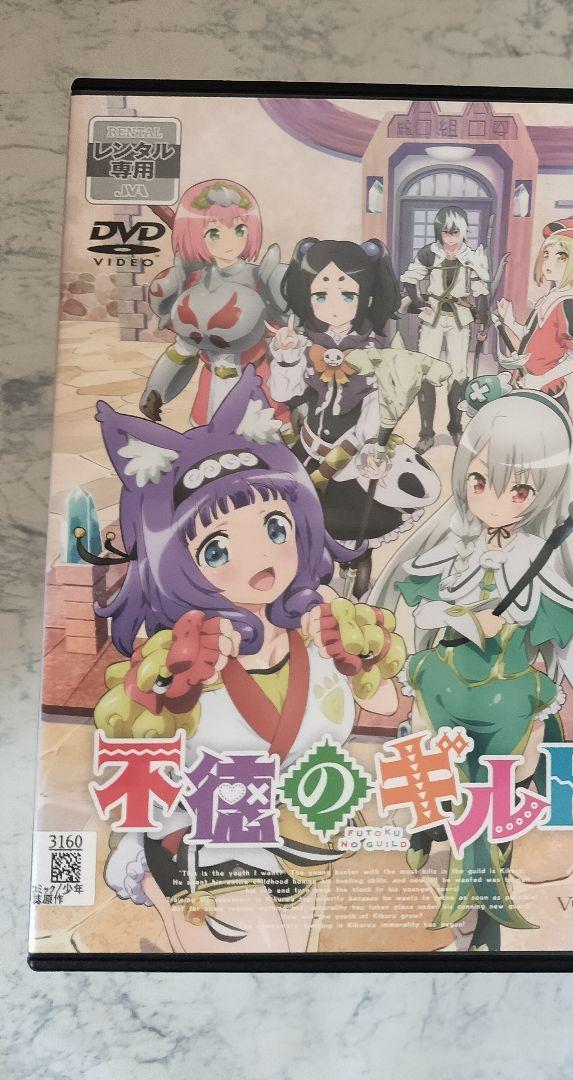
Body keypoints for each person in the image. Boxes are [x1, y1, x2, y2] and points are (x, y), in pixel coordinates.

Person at [83, 368, 405, 953]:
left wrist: (356, 657)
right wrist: (182, 685)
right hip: (208, 838)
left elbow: (387, 703)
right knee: (256, 959)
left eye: (275, 526)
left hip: (305, 831)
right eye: (217, 548)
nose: (259, 556)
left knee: (296, 960)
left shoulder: (321, 623)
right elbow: (133, 738)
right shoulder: (181, 648)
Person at [369, 383, 573, 951]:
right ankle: (427, 828)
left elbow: (563, 640)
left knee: (497, 801)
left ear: (541, 494)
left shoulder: (537, 558)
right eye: (479, 481)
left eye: (517, 489)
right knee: (437, 775)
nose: (494, 499)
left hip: (511, 698)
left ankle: (486, 914)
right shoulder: (453, 547)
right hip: (444, 685)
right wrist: (463, 621)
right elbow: (420, 608)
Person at [268, 237, 440, 597]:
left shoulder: (376, 350)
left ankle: (358, 596)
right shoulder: (304, 344)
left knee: (354, 533)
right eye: (321, 295)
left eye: (346, 295)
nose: (333, 306)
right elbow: (284, 394)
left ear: (366, 296)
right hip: (307, 448)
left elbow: (376, 409)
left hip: (352, 456)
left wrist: (366, 449)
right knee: (302, 524)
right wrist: (286, 356)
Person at [140, 179, 290, 428]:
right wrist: (157, 390)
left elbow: (286, 333)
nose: (229, 242)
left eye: (239, 230)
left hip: (256, 383)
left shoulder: (261, 279)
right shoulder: (191, 281)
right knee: (209, 437)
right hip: (212, 386)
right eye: (214, 233)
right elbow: (183, 352)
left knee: (260, 439)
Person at [495, 218, 573, 416]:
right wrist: (510, 320)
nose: (548, 263)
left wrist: (540, 380)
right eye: (547, 254)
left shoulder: (568, 306)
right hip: (526, 383)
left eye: (561, 257)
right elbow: (533, 338)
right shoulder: (551, 298)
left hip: (546, 393)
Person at [400, 205, 489, 451]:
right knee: (426, 370)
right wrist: (419, 303)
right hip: (433, 318)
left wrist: (483, 321)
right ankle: (426, 434)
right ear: (439, 232)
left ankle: (456, 427)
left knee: (459, 373)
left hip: (460, 319)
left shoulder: (471, 257)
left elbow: (481, 292)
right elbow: (409, 279)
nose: (450, 239)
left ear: (463, 232)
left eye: (455, 233)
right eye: (446, 233)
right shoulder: (429, 253)